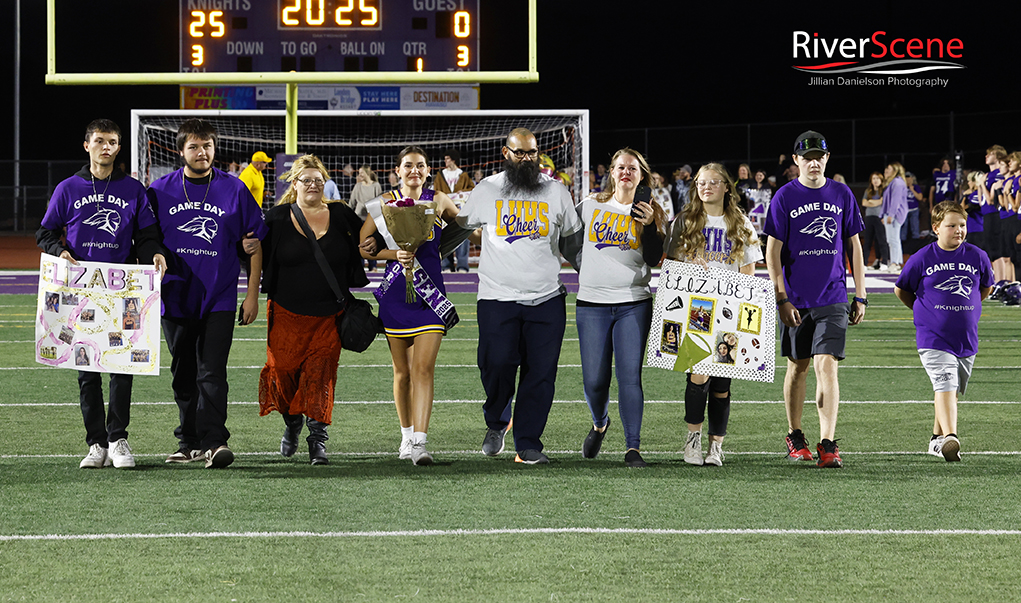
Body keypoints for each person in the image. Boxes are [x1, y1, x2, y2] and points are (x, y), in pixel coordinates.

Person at [36, 118, 167, 470]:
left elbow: (148, 233)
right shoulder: (69, 187)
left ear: (119, 147)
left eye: (112, 141)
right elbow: (45, 232)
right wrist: (58, 250)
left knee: (122, 366)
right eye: (99, 140)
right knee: (86, 369)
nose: (105, 146)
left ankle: (117, 438)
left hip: (121, 290)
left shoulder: (134, 189)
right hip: (81, 290)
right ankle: (96, 443)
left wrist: (154, 252)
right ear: (87, 145)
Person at [456, 127, 583, 464]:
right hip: (497, 298)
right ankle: (497, 420)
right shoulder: (487, 189)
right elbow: (459, 229)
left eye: (532, 153)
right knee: (495, 364)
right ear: (506, 153)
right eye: (520, 153)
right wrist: (414, 253)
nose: (528, 159)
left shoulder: (556, 191)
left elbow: (573, 244)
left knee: (540, 374)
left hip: (546, 299)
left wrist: (593, 275)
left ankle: (528, 443)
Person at [147, 118, 267, 469]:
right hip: (174, 296)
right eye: (195, 147)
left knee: (212, 371)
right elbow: (146, 239)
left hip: (219, 296)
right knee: (183, 373)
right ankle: (188, 441)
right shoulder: (160, 190)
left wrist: (252, 295)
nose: (202, 153)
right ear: (181, 150)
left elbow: (254, 243)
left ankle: (215, 442)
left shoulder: (234, 189)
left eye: (208, 146)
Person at [764, 130, 867, 469]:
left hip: (833, 295)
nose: (813, 162)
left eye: (818, 156)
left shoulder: (841, 193)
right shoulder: (784, 196)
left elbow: (853, 244)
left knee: (826, 365)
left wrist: (861, 293)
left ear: (826, 158)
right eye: (806, 156)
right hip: (796, 298)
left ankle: (827, 443)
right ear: (796, 161)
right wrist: (781, 297)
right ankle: (795, 434)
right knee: (798, 367)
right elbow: (773, 251)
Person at [258, 155, 370, 465]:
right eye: (306, 180)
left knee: (321, 377)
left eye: (318, 180)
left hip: (329, 315)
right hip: (285, 313)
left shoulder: (341, 214)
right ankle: (292, 423)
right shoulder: (277, 217)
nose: (313, 185)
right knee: (282, 375)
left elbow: (368, 238)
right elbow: (254, 255)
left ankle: (317, 439)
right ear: (294, 184)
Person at [359, 147, 462, 465]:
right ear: (398, 170)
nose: (414, 170)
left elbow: (467, 230)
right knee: (402, 373)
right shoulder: (382, 204)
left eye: (420, 165)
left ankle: (420, 442)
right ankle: (406, 438)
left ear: (428, 170)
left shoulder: (440, 200)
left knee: (423, 369)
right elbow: (364, 247)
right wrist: (394, 254)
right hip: (396, 298)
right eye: (408, 166)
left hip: (430, 300)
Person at [574, 148, 666, 468]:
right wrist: (586, 271)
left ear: (642, 175)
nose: (626, 172)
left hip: (633, 303)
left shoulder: (652, 212)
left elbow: (654, 259)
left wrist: (652, 225)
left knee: (630, 377)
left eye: (633, 168)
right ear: (611, 173)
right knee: (594, 382)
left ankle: (633, 448)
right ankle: (600, 423)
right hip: (591, 304)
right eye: (620, 167)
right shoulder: (589, 206)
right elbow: (567, 242)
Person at [666, 163, 762, 467]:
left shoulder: (742, 223)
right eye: (701, 182)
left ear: (726, 187)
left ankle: (716, 445)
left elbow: (748, 273)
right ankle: (693, 439)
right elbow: (670, 267)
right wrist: (690, 264)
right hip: (696, 310)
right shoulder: (685, 221)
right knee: (697, 377)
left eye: (713, 182)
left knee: (722, 385)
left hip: (730, 310)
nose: (706, 187)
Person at [894, 201, 993, 461]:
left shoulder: (977, 255)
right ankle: (952, 437)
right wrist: (924, 313)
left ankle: (936, 440)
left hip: (966, 339)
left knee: (949, 389)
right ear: (936, 228)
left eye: (962, 225)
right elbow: (902, 289)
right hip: (933, 337)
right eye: (951, 226)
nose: (958, 230)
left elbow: (985, 288)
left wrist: (969, 311)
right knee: (945, 382)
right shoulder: (922, 257)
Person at [434, 150, 476, 272]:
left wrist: (462, 192)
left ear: (453, 159)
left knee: (462, 236)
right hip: (445, 211)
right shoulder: (440, 175)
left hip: (460, 209)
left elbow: (472, 189)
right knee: (444, 235)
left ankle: (462, 265)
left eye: (447, 159)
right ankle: (446, 265)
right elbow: (436, 191)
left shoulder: (463, 174)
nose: (445, 161)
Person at [349, 165, 383, 272]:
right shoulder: (358, 186)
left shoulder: (376, 186)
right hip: (358, 217)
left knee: (372, 241)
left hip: (371, 218)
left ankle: (373, 266)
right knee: (359, 242)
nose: (359, 175)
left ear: (367, 173)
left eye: (361, 173)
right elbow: (352, 202)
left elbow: (379, 201)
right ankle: (360, 266)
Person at [881, 162, 909, 272]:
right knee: (893, 239)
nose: (886, 170)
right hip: (891, 213)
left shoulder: (897, 182)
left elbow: (895, 201)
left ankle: (895, 262)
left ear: (895, 170)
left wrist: (891, 215)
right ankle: (896, 262)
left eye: (889, 168)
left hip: (895, 214)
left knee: (893, 239)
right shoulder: (894, 182)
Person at [860, 171, 888, 270]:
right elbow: (864, 203)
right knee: (867, 241)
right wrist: (876, 202)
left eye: (877, 178)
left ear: (881, 180)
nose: (875, 181)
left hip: (879, 217)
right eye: (873, 179)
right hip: (869, 217)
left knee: (881, 240)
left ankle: (884, 262)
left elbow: (882, 201)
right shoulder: (868, 191)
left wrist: (870, 201)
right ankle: (864, 263)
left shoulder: (884, 190)